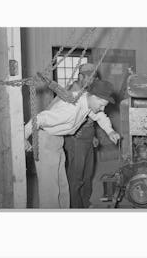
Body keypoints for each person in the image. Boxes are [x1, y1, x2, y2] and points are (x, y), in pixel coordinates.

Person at [24, 79, 120, 208]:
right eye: (102, 104)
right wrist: (23, 137)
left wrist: (110, 131)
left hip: (57, 140)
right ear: (92, 96)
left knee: (62, 185)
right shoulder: (71, 109)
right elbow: (40, 118)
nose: (102, 108)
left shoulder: (87, 102)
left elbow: (100, 115)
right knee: (50, 188)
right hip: (46, 140)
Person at [64, 63, 103, 208]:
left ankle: (85, 203)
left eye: (94, 78)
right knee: (76, 177)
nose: (92, 81)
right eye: (90, 78)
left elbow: (92, 115)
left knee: (87, 175)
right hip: (75, 139)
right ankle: (76, 207)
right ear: (81, 76)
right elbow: (64, 118)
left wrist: (92, 135)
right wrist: (73, 131)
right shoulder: (70, 92)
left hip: (87, 137)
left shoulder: (87, 91)